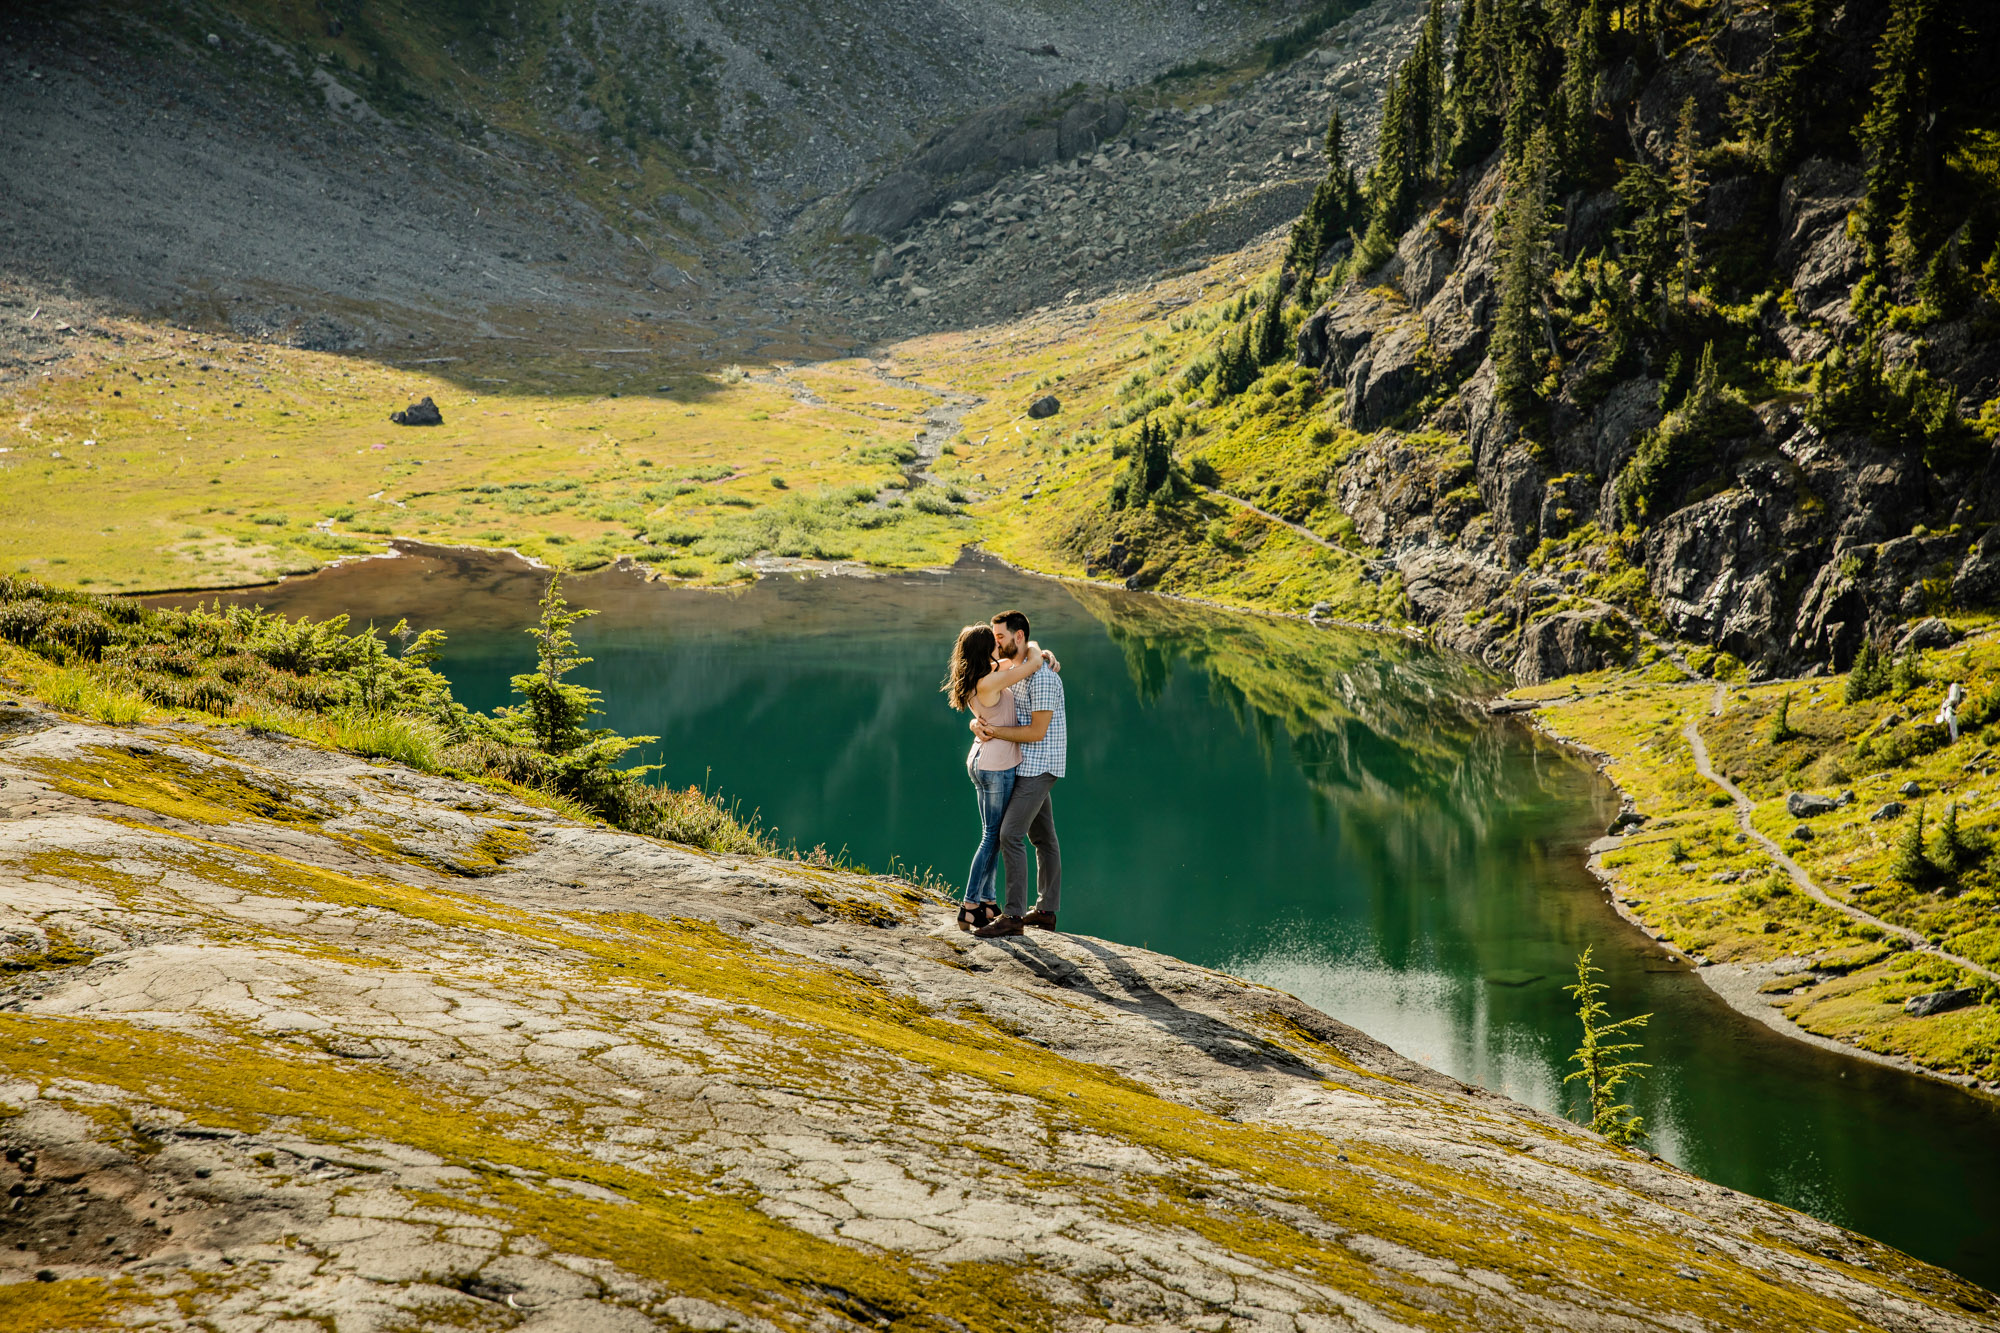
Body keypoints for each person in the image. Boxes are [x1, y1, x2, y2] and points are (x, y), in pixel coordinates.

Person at [940, 623, 1053, 931]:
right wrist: (1037, 649)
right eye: (993, 640)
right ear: (984, 648)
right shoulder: (991, 681)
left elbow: (1022, 661)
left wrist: (1041, 651)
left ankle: (987, 902)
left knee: (991, 833)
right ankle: (970, 904)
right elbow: (1031, 664)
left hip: (981, 761)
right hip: (996, 766)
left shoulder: (979, 677)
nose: (998, 644)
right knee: (992, 838)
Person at [970, 609, 1067, 938]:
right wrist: (977, 724)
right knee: (1042, 837)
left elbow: (1037, 731)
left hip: (1039, 766)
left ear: (1019, 636)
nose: (995, 643)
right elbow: (984, 700)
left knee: (1009, 835)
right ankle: (1045, 912)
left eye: (1000, 637)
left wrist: (994, 732)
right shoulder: (1019, 667)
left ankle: (1012, 916)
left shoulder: (1041, 677)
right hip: (1023, 764)